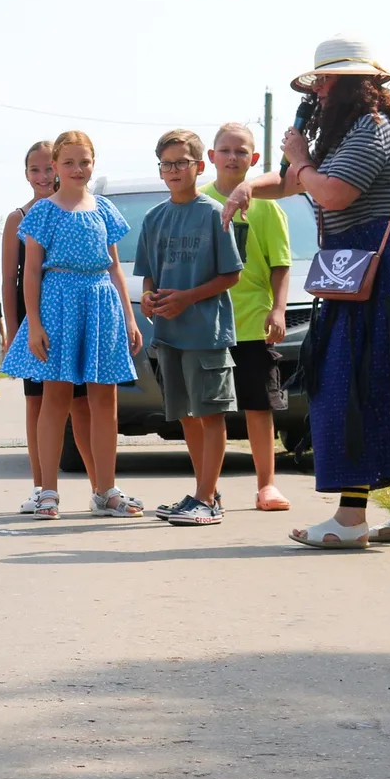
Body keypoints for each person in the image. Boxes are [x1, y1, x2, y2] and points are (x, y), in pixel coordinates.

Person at [218, 36, 390, 549]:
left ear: (355, 85)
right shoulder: (350, 132)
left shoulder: (372, 131)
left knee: (350, 379)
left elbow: (330, 191)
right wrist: (251, 186)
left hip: (380, 263)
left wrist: (301, 158)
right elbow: (295, 182)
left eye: (328, 81)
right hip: (366, 263)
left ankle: (350, 520)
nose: (320, 92)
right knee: (382, 378)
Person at [1, 131, 145, 521]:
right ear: (57, 168)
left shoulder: (104, 209)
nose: (77, 169)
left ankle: (105, 491)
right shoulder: (43, 213)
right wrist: (33, 326)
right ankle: (47, 491)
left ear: (93, 163)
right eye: (69, 163)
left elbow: (115, 266)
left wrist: (129, 318)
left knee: (104, 401)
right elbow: (30, 273)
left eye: (85, 162)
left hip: (101, 304)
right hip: (57, 303)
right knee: (56, 399)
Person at [135, 130, 243, 527]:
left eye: (182, 162)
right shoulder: (153, 218)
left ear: (200, 166)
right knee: (186, 416)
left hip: (206, 333)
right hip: (169, 334)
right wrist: (148, 298)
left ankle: (206, 500)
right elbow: (147, 275)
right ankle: (205, 492)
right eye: (166, 163)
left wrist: (188, 297)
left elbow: (230, 276)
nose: (174, 170)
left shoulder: (215, 213)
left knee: (211, 414)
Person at [200, 122, 294, 513]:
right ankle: (208, 488)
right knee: (209, 410)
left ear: (254, 159)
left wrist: (278, 309)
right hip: (208, 324)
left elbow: (281, 264)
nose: (233, 157)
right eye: (225, 150)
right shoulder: (200, 202)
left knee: (259, 406)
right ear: (211, 157)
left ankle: (266, 486)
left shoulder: (268, 205)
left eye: (242, 152)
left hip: (253, 323)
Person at [3, 141, 94, 513]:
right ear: (26, 174)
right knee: (37, 403)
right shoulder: (18, 218)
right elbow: (11, 279)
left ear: (58, 168)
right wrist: (14, 333)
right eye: (34, 170)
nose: (42, 177)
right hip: (34, 324)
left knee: (82, 404)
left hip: (74, 319)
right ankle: (42, 488)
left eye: (47, 169)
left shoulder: (74, 210)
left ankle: (101, 486)